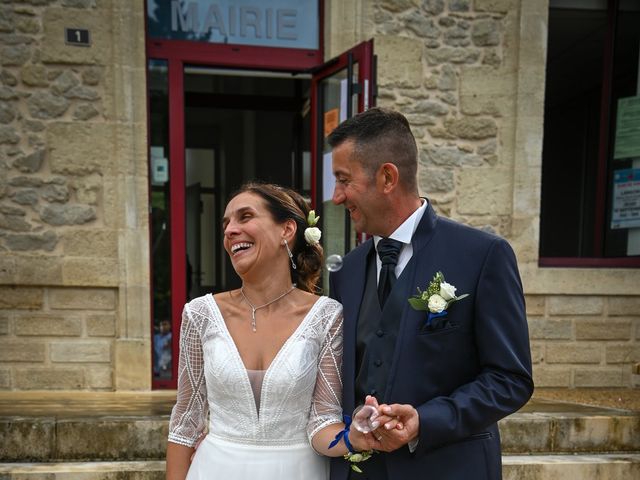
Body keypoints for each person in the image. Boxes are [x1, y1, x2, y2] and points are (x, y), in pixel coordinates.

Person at [327, 108, 534, 479]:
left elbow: (510, 379)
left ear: (387, 177)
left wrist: (426, 420)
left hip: (448, 468)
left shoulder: (482, 255)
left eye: (344, 180)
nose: (337, 197)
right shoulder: (348, 271)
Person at [166, 183, 371, 480]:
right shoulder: (200, 314)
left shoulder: (326, 316)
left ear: (286, 230)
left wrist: (355, 437)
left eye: (245, 217)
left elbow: (323, 420)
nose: (230, 231)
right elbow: (186, 422)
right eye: (226, 224)